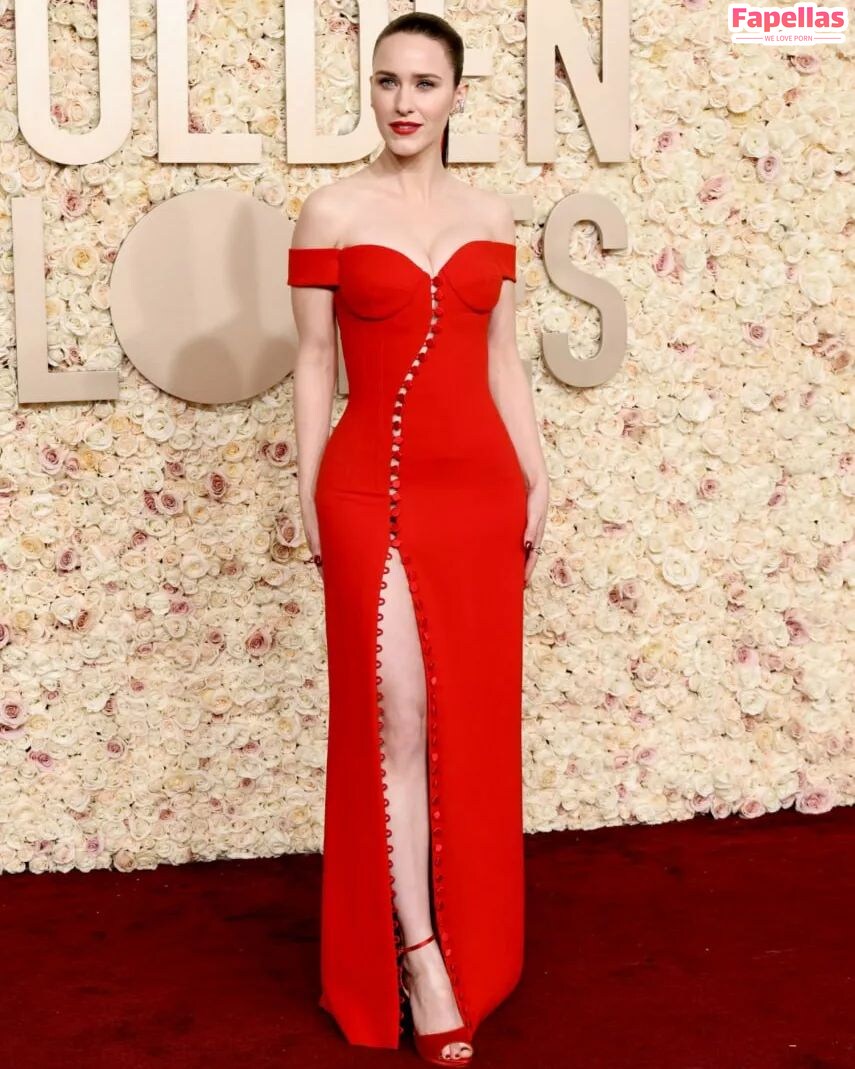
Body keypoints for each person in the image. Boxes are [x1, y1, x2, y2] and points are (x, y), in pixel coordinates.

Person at [287, 11, 548, 1065]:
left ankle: (471, 937)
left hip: (482, 491)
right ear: (372, 90)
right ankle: (420, 953)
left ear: (456, 96)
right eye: (387, 80)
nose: (403, 101)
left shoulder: (490, 211)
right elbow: (314, 360)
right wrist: (305, 490)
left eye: (424, 83)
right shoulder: (331, 210)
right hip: (368, 489)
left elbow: (503, 359)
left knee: (466, 720)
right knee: (395, 716)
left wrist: (538, 476)